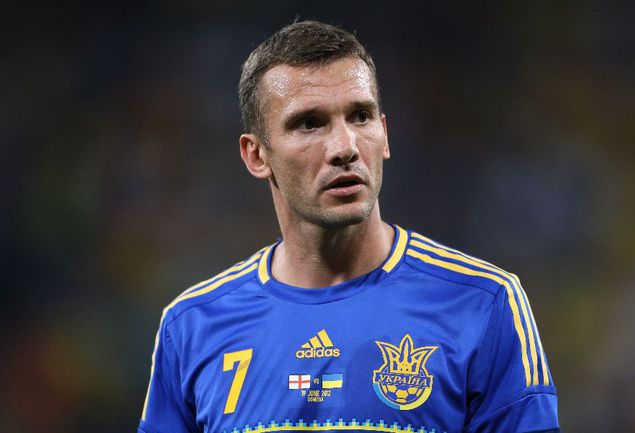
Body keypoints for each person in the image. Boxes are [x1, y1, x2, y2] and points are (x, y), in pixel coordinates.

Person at [138, 21, 560, 433]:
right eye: (309, 123)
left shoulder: (483, 303)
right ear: (256, 155)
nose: (345, 147)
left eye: (360, 116)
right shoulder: (192, 326)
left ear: (385, 134)